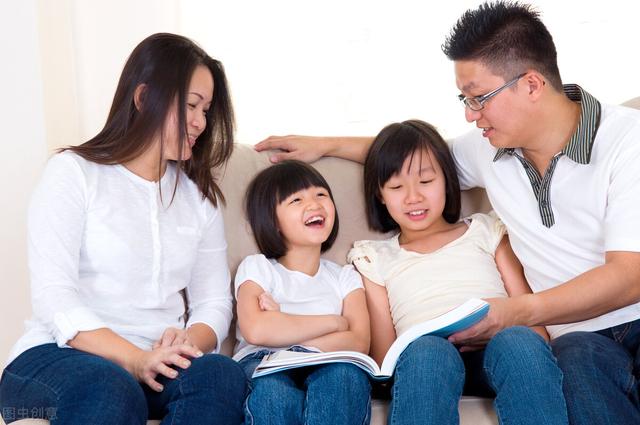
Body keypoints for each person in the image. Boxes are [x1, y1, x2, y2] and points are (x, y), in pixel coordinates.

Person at [254, 2, 640, 424]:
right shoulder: (490, 146)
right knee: (579, 367)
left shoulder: (627, 140)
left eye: (479, 98)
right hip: (578, 338)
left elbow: (630, 275)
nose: (470, 115)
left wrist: (518, 311)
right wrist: (326, 145)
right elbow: (415, 159)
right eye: (464, 99)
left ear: (532, 84)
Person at [0, 33, 247, 425]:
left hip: (156, 363)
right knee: (112, 385)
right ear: (144, 97)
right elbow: (53, 297)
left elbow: (214, 302)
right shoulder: (73, 173)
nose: (201, 122)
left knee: (221, 373)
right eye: (190, 105)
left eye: (206, 109)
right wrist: (134, 359)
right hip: (57, 358)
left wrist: (185, 342)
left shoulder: (199, 199)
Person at [347, 119, 567, 424]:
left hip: (495, 351)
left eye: (426, 181)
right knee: (429, 352)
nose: (413, 197)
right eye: (396, 187)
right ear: (380, 194)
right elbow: (385, 358)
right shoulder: (374, 257)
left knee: (519, 341)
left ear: (448, 181)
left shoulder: (485, 230)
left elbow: (532, 322)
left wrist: (508, 331)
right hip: (424, 364)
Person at [234, 160, 371, 425]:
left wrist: (283, 326)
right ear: (272, 220)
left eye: (321, 194)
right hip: (264, 364)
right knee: (273, 392)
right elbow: (257, 331)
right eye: (296, 200)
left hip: (330, 362)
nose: (314, 204)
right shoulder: (258, 267)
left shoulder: (345, 276)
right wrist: (335, 323)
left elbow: (358, 342)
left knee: (345, 377)